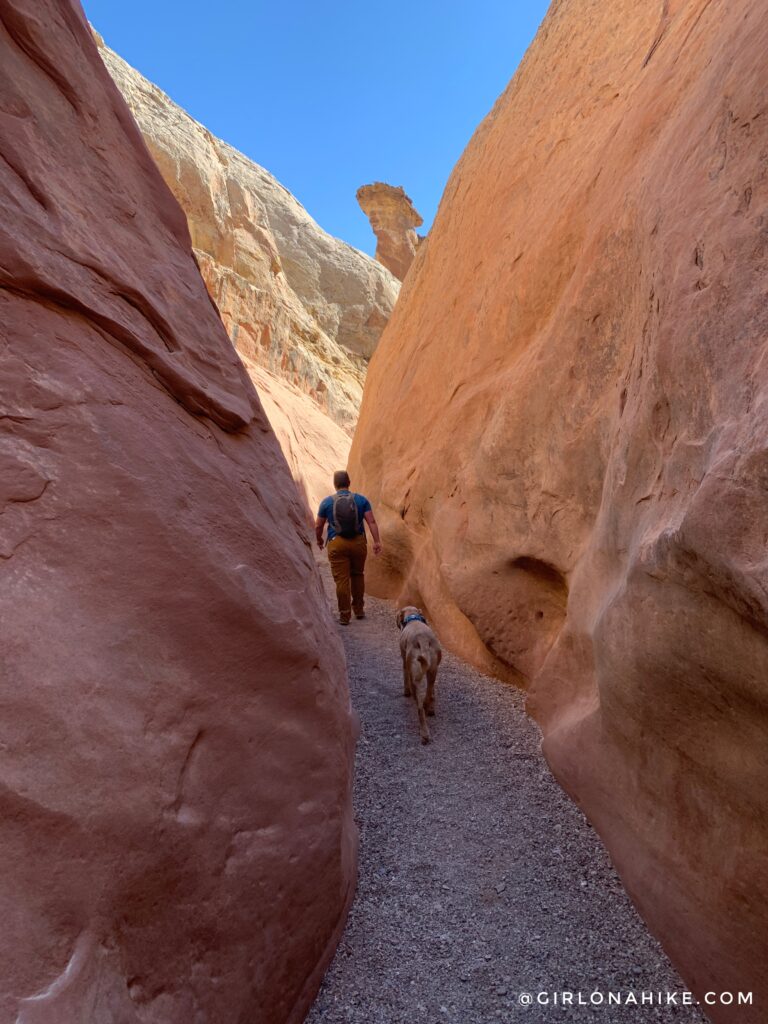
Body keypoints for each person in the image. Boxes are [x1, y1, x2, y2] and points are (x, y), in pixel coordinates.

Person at [316, 470, 382, 624]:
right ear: (349, 482)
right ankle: (358, 610)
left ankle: (345, 615)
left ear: (334, 484)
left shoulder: (326, 502)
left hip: (336, 543)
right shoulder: (361, 500)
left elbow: (318, 525)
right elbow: (371, 521)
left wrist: (319, 540)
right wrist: (377, 541)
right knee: (357, 574)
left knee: (342, 580)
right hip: (358, 543)